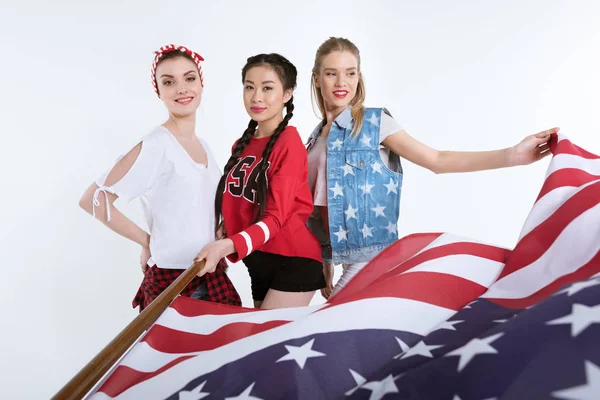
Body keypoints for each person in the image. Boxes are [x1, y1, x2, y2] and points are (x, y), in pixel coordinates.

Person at [305, 37, 559, 299]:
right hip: (342, 258)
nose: (341, 82)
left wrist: (513, 155)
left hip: (372, 257)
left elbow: (437, 160)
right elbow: (318, 209)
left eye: (350, 72)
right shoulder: (312, 142)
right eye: (331, 73)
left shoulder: (374, 123)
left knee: (330, 322)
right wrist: (325, 262)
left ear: (359, 76)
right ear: (316, 78)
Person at [79, 44, 241, 311]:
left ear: (201, 83)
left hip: (210, 276)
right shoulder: (156, 145)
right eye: (169, 82)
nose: (182, 88)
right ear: (159, 91)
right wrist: (147, 241)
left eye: (189, 78)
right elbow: (92, 199)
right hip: (174, 282)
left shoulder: (203, 145)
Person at [194, 53, 326, 309]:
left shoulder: (289, 143)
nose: (256, 97)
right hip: (258, 260)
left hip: (294, 260)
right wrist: (226, 229)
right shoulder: (240, 145)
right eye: (249, 87)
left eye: (267, 88)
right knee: (264, 341)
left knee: (266, 342)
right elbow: (242, 205)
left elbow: (277, 217)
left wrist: (227, 245)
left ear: (287, 94)